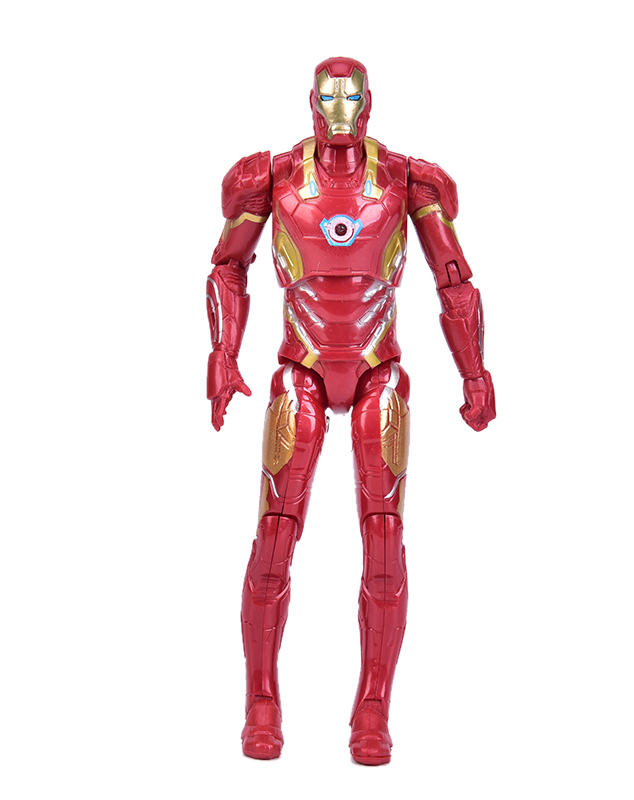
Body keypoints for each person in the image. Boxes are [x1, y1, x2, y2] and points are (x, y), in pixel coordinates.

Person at [206, 56, 496, 765]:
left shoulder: (406, 180)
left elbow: (454, 280)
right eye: (329, 96)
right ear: (311, 101)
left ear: (369, 102)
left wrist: (475, 372)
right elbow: (228, 265)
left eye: (351, 96)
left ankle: (373, 708)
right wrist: (222, 352)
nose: (339, 108)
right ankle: (261, 701)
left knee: (385, 541)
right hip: (300, 369)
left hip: (378, 372)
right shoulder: (270, 177)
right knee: (275, 535)